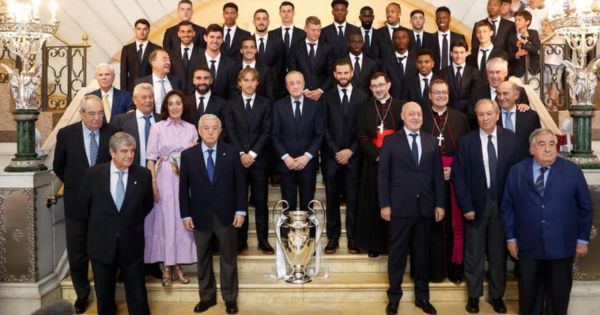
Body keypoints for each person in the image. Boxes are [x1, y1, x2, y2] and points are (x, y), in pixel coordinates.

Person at [502, 128, 595, 315]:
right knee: (529, 300)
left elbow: (586, 208)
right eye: (542, 144)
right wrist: (511, 239)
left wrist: (582, 240)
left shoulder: (572, 171)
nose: (547, 149)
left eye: (552, 144)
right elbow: (507, 207)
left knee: (558, 300)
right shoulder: (517, 171)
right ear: (531, 149)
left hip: (561, 247)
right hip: (528, 247)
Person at [452, 99, 520, 314]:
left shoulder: (511, 139)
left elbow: (518, 173)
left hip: (503, 205)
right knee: (474, 254)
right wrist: (466, 206)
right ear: (476, 117)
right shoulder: (466, 142)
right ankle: (473, 296)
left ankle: (496, 296)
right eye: (480, 114)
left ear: (497, 115)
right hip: (475, 206)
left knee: (498, 254)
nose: (485, 118)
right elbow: (459, 177)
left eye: (489, 113)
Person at [379, 102, 445, 315]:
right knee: (397, 254)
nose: (416, 117)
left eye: (418, 114)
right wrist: (385, 204)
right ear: (402, 116)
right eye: (411, 114)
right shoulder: (391, 141)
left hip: (425, 207)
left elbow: (437, 176)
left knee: (422, 253)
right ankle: (394, 298)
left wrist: (440, 203)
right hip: (399, 207)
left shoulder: (431, 141)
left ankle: (422, 297)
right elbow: (383, 176)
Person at [53, 95, 116, 314]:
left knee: (105, 252)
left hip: (104, 205)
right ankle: (82, 294)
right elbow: (59, 166)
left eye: (101, 113)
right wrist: (75, 186)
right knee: (77, 253)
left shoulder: (111, 133)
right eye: (92, 114)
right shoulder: (66, 134)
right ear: (81, 114)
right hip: (76, 204)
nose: (97, 118)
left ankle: (106, 297)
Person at [79, 132, 153, 315]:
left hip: (131, 243)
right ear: (112, 152)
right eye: (124, 151)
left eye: (132, 151)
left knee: (137, 294)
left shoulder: (143, 175)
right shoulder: (93, 174)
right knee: (104, 296)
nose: (129, 155)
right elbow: (84, 208)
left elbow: (146, 205)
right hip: (101, 244)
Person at [180, 114, 246, 315]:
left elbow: (240, 185)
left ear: (220, 131)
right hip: (199, 216)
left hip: (226, 215)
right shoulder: (188, 155)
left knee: (228, 258)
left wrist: (241, 210)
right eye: (206, 128)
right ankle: (206, 298)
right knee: (203, 259)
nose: (210, 132)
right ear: (199, 131)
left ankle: (230, 299)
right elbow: (183, 189)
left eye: (214, 128)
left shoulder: (232, 152)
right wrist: (186, 215)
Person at [144, 90, 198, 287]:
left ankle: (178, 265)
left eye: (178, 103)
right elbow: (150, 158)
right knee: (166, 221)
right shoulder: (157, 128)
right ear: (166, 107)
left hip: (185, 177)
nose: (175, 107)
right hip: (165, 175)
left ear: (184, 106)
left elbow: (195, 155)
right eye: (171, 104)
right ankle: (167, 265)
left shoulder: (192, 128)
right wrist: (153, 183)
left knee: (180, 220)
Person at [420, 79, 470, 284]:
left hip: (454, 181)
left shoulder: (460, 118)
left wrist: (455, 171)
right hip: (427, 182)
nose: (440, 96)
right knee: (430, 225)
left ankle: (454, 269)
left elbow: (467, 151)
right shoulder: (421, 118)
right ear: (429, 95)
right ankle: (433, 271)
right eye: (436, 92)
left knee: (452, 225)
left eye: (444, 92)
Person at [224, 68, 273, 254]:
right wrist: (241, 154)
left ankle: (263, 240)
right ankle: (240, 241)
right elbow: (230, 131)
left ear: (258, 83)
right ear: (239, 83)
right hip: (238, 161)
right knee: (239, 203)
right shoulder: (230, 104)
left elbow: (266, 131)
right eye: (246, 80)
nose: (249, 84)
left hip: (259, 162)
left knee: (261, 203)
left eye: (253, 80)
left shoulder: (266, 104)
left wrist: (252, 154)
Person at [322, 59, 369, 254]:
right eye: (339, 73)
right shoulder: (327, 97)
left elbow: (365, 129)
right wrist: (336, 151)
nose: (342, 76)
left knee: (353, 200)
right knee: (332, 199)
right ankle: (332, 238)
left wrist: (351, 150)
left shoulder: (363, 97)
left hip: (354, 157)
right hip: (332, 157)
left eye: (345, 73)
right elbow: (323, 127)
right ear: (335, 74)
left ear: (352, 73)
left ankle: (352, 238)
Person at [355, 72, 404, 258]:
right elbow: (361, 135)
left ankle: (396, 244)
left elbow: (404, 132)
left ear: (389, 84)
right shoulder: (365, 108)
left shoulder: (400, 106)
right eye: (374, 86)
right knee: (374, 202)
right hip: (373, 164)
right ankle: (375, 244)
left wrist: (389, 156)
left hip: (397, 165)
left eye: (381, 85)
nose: (378, 89)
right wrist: (377, 155)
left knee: (396, 203)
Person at [271, 71, 324, 211]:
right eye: (291, 83)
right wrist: (286, 157)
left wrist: (307, 156)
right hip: (286, 165)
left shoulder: (315, 106)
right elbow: (274, 135)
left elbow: (319, 135)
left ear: (304, 84)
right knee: (287, 208)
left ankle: (310, 234)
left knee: (308, 207)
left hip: (308, 164)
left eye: (298, 82)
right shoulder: (277, 106)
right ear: (287, 86)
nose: (295, 86)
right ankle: (287, 234)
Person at [110, 83, 159, 167]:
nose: (148, 100)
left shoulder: (163, 119)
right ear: (134, 100)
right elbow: (114, 148)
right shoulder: (120, 121)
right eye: (144, 97)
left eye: (151, 97)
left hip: (160, 173)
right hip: (131, 172)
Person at [289, 16, 335, 101]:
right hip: (301, 94)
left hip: (322, 96)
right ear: (305, 29)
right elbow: (293, 70)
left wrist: (320, 90)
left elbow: (331, 73)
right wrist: (304, 89)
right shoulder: (296, 47)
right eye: (313, 30)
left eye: (319, 30)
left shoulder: (327, 48)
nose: (316, 33)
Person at [496, 81, 540, 160]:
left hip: (524, 167)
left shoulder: (530, 116)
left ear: (516, 95)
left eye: (505, 93)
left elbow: (537, 143)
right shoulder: (492, 117)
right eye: (499, 94)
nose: (501, 98)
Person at [438, 39, 480, 121]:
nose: (458, 56)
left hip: (470, 117)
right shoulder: (442, 73)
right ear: (451, 53)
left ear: (467, 53)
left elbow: (476, 95)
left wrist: (469, 115)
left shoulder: (474, 72)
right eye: (456, 52)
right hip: (449, 116)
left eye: (462, 52)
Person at [135, 49, 183, 113]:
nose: (168, 62)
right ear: (153, 63)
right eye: (165, 59)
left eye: (169, 60)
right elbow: (133, 104)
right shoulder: (141, 83)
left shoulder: (176, 81)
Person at [198, 24, 238, 100]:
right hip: (200, 109)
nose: (215, 41)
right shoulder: (194, 61)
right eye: (212, 37)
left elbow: (234, 93)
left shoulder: (231, 64)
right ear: (205, 38)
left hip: (224, 109)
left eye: (218, 37)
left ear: (222, 40)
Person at [120, 18, 161, 92]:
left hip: (151, 89)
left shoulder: (157, 49)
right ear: (135, 30)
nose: (142, 32)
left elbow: (159, 71)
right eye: (139, 29)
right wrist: (124, 93)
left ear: (149, 31)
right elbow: (123, 73)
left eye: (144, 29)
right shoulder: (126, 49)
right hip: (131, 90)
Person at [252, 8, 284, 100]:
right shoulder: (247, 42)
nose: (261, 22)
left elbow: (281, 67)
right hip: (251, 89)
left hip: (273, 90)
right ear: (254, 21)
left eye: (264, 19)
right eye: (258, 19)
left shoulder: (278, 42)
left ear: (268, 22)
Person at [168, 21, 204, 95]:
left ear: (193, 33)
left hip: (197, 96)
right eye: (183, 32)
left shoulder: (203, 53)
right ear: (178, 34)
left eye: (189, 31)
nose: (186, 35)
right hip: (177, 95)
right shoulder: (170, 54)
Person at [381, 28, 416, 99]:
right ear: (393, 40)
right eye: (397, 38)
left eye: (404, 37)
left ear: (408, 40)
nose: (401, 40)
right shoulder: (386, 61)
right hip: (393, 103)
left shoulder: (416, 60)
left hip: (413, 102)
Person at [430, 7, 465, 72]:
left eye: (444, 18)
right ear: (435, 20)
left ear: (450, 20)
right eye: (439, 18)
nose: (441, 20)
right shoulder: (429, 38)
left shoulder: (459, 37)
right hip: (436, 76)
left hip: (455, 75)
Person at [508, 10, 541, 78]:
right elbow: (509, 56)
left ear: (527, 22)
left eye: (519, 20)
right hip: (517, 73)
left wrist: (525, 43)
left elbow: (537, 49)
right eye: (515, 20)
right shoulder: (511, 38)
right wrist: (517, 54)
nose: (516, 22)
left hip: (532, 73)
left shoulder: (533, 33)